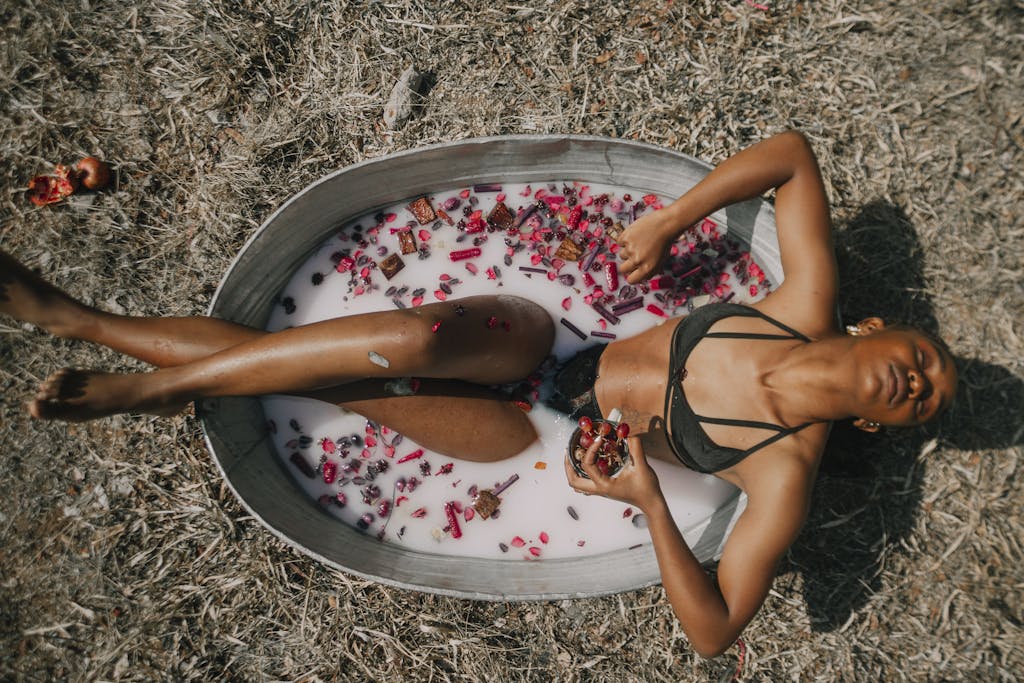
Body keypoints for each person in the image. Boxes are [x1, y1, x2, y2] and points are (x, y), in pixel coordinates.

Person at [2, 131, 957, 657]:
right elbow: (792, 153)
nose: (919, 377)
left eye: (918, 401)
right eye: (925, 356)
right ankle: (150, 378)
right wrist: (670, 218)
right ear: (876, 331)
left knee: (337, 375)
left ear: (877, 418)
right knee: (403, 339)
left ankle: (87, 324)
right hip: (554, 330)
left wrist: (647, 500)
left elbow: (711, 632)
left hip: (531, 436)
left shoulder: (783, 473)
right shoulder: (805, 299)